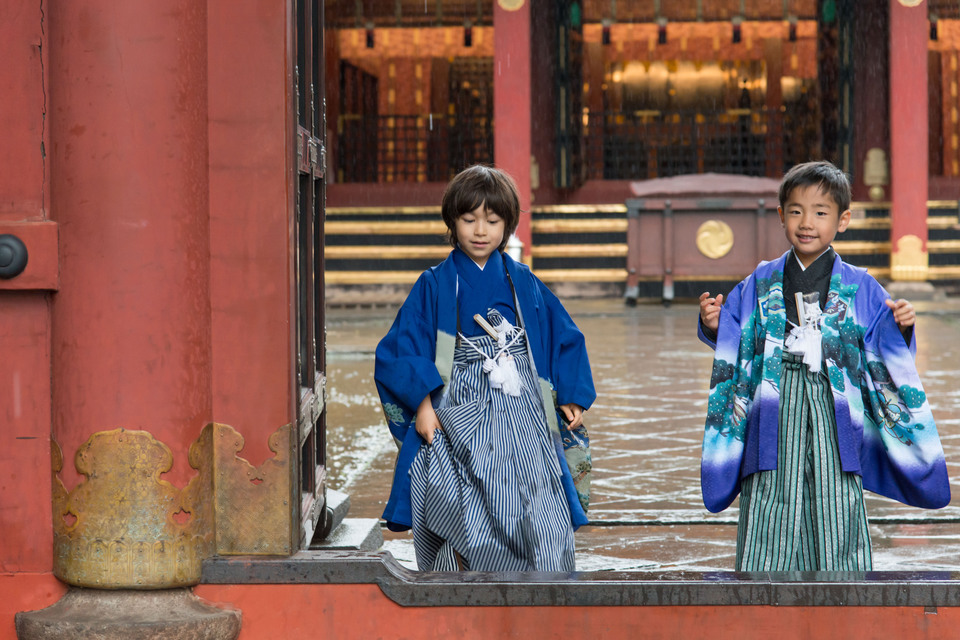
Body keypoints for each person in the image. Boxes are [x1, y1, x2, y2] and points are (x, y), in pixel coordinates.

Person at [697, 160, 950, 571]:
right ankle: (765, 583)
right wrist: (714, 322)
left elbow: (881, 345)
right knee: (769, 487)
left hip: (836, 404)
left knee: (836, 491)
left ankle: (842, 583)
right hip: (774, 400)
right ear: (781, 216)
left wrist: (901, 327)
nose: (806, 223)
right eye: (795, 211)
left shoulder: (860, 284)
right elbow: (738, 335)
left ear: (843, 220)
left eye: (821, 212)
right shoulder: (760, 281)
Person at [375, 164, 595, 572]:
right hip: (457, 401)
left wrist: (571, 394)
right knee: (457, 491)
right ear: (452, 222)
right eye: (469, 219)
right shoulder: (435, 283)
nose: (481, 231)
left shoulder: (523, 281)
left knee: (539, 492)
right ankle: (466, 576)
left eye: (492, 221)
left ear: (507, 225)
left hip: (522, 402)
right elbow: (399, 349)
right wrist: (422, 406)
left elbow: (563, 333)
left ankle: (542, 573)